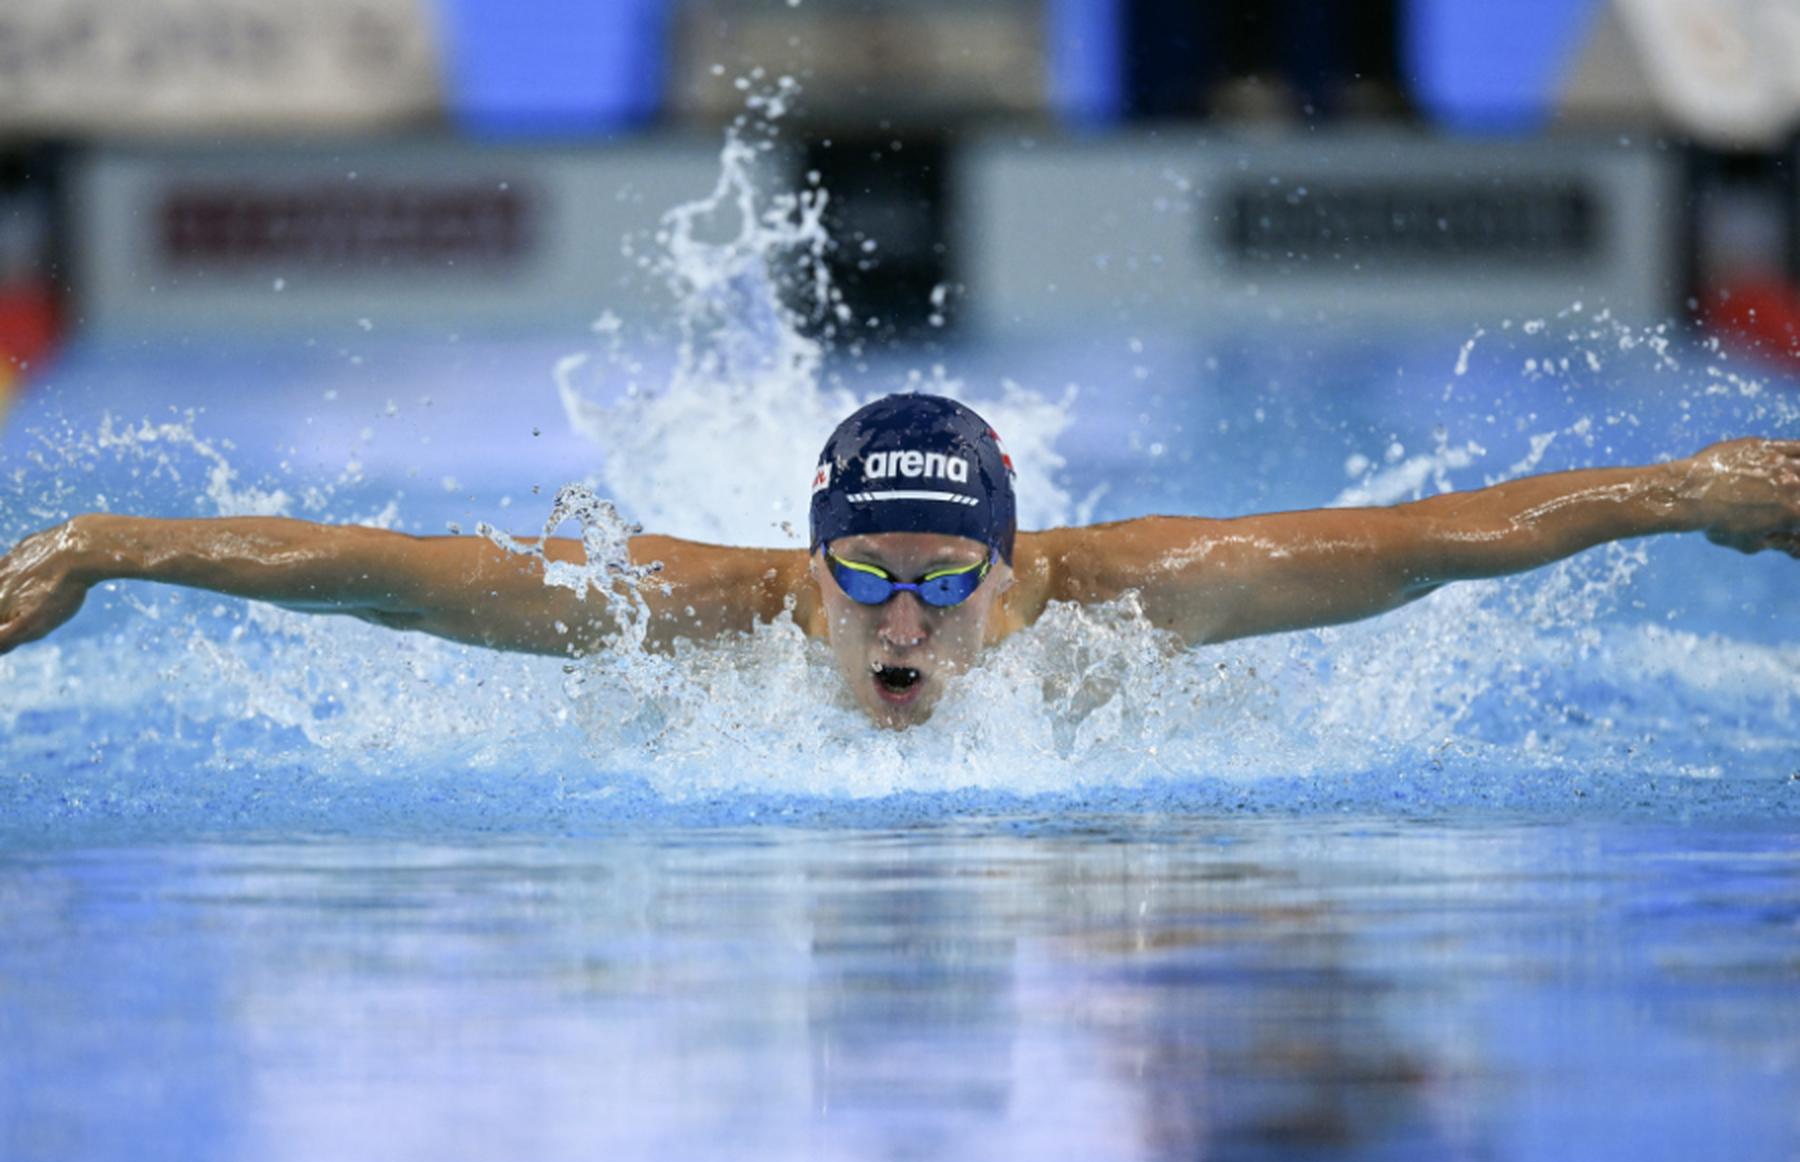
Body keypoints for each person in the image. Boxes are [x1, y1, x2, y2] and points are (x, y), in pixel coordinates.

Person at [1, 392, 1796, 729]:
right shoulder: (682, 610)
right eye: (872, 575)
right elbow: (375, 565)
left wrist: (1700, 483)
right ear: (811, 562)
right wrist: (103, 545)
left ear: (1013, 571)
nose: (910, 624)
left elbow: (1443, 542)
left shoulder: (1127, 593)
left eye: (952, 578)